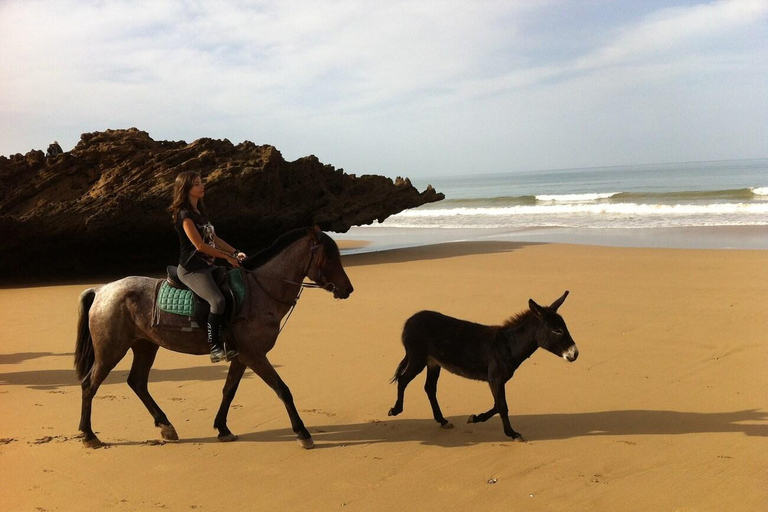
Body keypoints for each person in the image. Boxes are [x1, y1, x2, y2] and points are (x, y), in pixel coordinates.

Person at [169, 171, 246, 362]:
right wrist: (228, 258)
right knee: (217, 301)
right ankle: (215, 346)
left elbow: (215, 239)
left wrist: (235, 252)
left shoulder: (200, 213)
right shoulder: (184, 214)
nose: (202, 186)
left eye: (201, 182)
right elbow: (200, 246)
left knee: (232, 294)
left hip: (207, 267)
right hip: (191, 268)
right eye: (196, 184)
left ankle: (230, 342)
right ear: (186, 188)